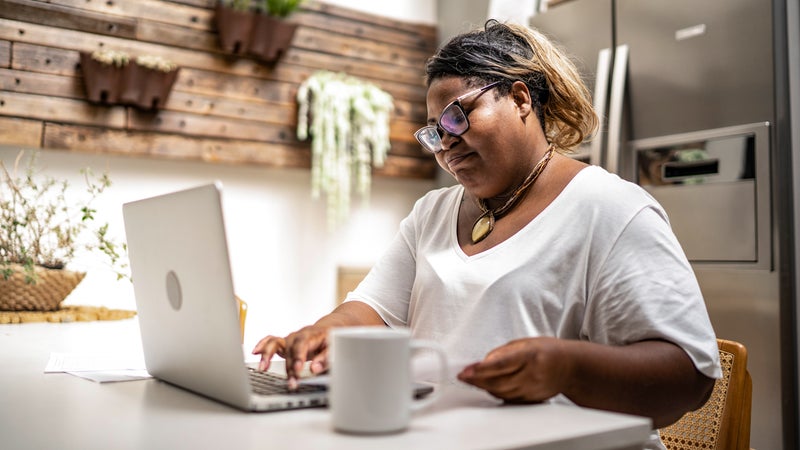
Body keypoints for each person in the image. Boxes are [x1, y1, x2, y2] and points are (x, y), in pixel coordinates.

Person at [253, 20, 720, 448]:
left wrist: (566, 368)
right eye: (435, 132)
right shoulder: (432, 212)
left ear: (519, 99)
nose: (447, 143)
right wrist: (322, 332)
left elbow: (689, 377)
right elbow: (373, 310)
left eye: (458, 116)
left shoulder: (611, 208)